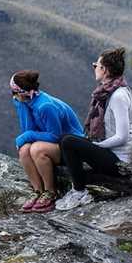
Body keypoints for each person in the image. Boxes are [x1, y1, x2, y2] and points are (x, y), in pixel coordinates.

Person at [56, 48, 132, 211]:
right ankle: (76, 187)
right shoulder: (110, 92)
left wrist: (96, 146)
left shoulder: (118, 96)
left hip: (122, 162)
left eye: (96, 65)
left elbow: (122, 136)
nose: (94, 68)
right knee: (65, 139)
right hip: (112, 153)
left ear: (105, 70)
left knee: (69, 142)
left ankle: (79, 192)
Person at [10, 70, 85, 213]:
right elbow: (28, 129)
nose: (13, 96)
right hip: (55, 144)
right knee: (24, 149)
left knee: (36, 149)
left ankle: (51, 192)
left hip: (72, 148)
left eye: (14, 92)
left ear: (22, 92)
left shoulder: (45, 106)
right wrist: (22, 106)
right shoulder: (28, 102)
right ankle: (38, 191)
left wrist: (27, 136)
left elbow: (55, 136)